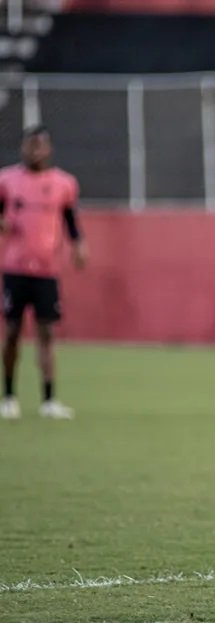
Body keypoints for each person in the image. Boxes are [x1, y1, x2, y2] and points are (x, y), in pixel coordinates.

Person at [0, 125, 87, 420]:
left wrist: (79, 246)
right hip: (14, 268)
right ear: (22, 147)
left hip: (47, 270)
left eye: (40, 145)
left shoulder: (64, 184)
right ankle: (9, 396)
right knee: (12, 332)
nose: (35, 151)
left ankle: (49, 400)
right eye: (30, 145)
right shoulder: (6, 181)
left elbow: (70, 221)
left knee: (47, 332)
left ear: (49, 149)